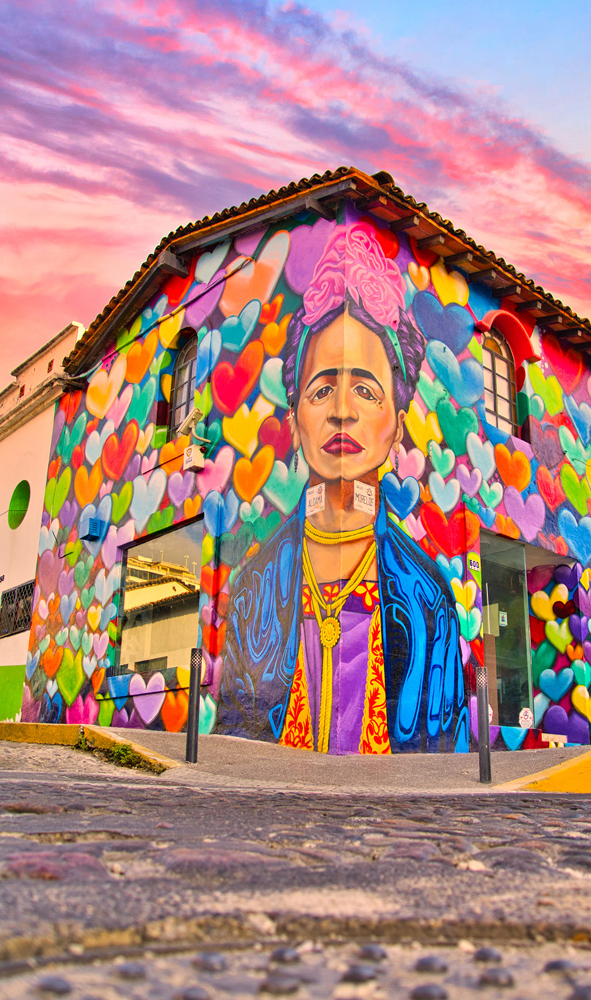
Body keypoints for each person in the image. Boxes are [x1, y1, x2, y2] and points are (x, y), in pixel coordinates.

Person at [218, 222, 469, 753]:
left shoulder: (429, 599)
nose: (341, 411)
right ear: (294, 419)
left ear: (397, 423)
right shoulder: (253, 592)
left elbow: (444, 755)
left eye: (365, 389)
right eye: (322, 387)